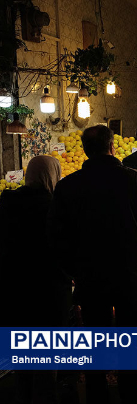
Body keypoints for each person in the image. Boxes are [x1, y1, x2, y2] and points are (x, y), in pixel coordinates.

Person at [47, 125, 137, 404]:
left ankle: (97, 397)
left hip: (91, 278)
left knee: (96, 347)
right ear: (112, 147)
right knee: (128, 341)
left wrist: (74, 270)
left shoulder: (68, 186)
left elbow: (55, 237)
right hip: (130, 277)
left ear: (87, 150)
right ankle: (128, 396)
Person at [0, 155, 71, 404]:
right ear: (53, 175)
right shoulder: (55, 206)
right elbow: (65, 251)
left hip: (14, 293)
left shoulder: (6, 203)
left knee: (22, 362)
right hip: (48, 295)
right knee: (45, 363)